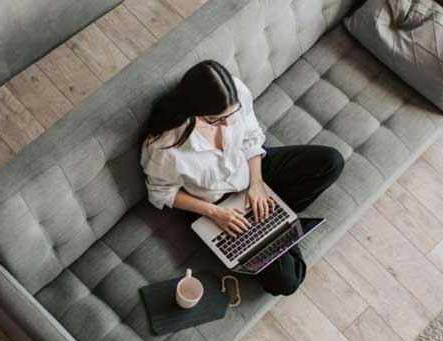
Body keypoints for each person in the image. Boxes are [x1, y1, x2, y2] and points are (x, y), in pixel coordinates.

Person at [139, 60, 344, 296]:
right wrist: (214, 213)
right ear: (192, 109)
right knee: (287, 281)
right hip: (214, 203)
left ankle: (272, 222)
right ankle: (273, 226)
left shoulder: (235, 92)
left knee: (331, 162)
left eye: (231, 114)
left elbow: (250, 137)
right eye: (215, 119)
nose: (226, 123)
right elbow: (161, 193)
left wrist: (257, 184)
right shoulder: (164, 147)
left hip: (250, 170)